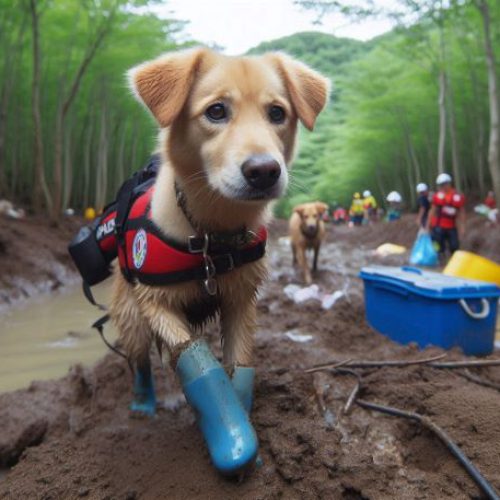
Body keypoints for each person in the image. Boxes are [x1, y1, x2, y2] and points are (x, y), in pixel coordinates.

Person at [427, 173, 465, 258]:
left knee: (454, 246)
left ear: (449, 183)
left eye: (444, 184)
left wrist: (462, 226)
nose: (442, 187)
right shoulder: (437, 196)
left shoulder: (457, 196)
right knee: (439, 245)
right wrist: (428, 224)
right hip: (438, 225)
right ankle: (441, 259)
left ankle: (454, 261)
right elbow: (432, 210)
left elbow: (461, 212)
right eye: (440, 185)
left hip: (451, 226)